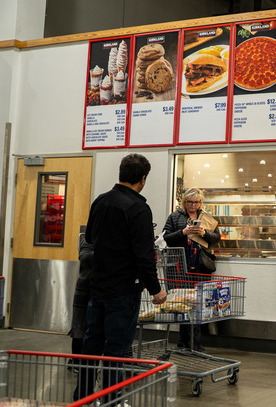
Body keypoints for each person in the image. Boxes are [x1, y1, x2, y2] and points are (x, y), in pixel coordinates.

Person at [74, 153, 167, 402]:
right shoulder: (139, 208)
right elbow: (144, 256)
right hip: (124, 291)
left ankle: (83, 395)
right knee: (117, 349)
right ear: (143, 179)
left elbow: (91, 239)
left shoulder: (101, 201)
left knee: (92, 344)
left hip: (98, 287)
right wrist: (156, 289)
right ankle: (111, 398)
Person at [162, 187, 221, 352]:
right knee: (183, 304)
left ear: (201, 203)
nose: (193, 205)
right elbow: (164, 239)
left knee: (198, 305)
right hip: (181, 267)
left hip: (200, 267)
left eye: (196, 202)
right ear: (184, 202)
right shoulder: (175, 217)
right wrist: (183, 232)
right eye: (190, 202)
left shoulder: (206, 218)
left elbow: (216, 238)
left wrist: (203, 233)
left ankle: (195, 343)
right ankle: (184, 342)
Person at [67, 236, 93, 372]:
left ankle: (80, 360)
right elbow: (85, 256)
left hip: (101, 288)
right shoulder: (89, 238)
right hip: (86, 286)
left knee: (90, 327)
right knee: (80, 325)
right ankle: (76, 360)